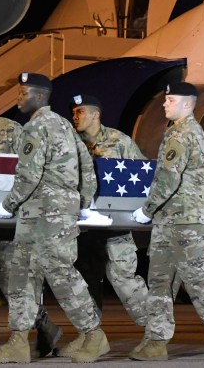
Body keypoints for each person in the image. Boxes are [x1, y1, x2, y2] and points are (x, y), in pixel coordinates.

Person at [0, 72, 108, 364]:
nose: (18, 98)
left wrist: (8, 204)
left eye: (23, 93)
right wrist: (82, 202)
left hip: (43, 212)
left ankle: (94, 334)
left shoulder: (36, 127)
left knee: (58, 274)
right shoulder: (65, 126)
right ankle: (18, 340)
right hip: (49, 212)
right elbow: (86, 166)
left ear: (40, 96)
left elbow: (28, 174)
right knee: (22, 275)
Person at [129, 82, 204, 361]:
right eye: (165, 99)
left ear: (188, 104)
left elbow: (168, 179)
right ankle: (156, 340)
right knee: (159, 282)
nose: (164, 104)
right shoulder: (175, 132)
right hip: (170, 221)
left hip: (189, 222)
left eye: (170, 100)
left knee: (196, 281)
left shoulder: (183, 134)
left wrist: (147, 209)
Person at [0, 82, 62, 356]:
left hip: (8, 222)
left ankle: (44, 328)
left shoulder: (12, 130)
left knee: (12, 283)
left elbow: (30, 169)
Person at [55, 93, 148, 357]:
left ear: (96, 114)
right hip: (82, 226)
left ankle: (156, 332)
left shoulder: (119, 142)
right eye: (73, 112)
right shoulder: (70, 145)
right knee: (84, 281)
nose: (75, 116)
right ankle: (88, 336)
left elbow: (143, 178)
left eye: (81, 111)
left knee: (124, 279)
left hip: (115, 225)